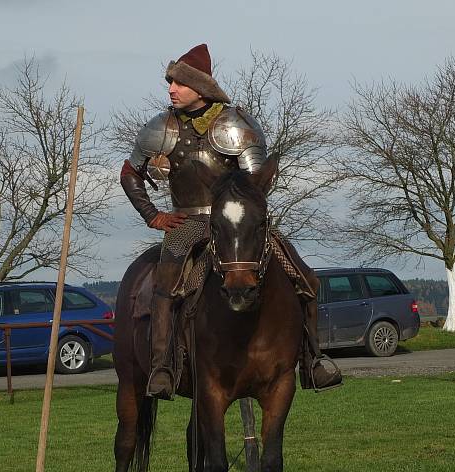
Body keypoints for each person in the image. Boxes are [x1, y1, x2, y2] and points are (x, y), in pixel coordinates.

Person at [120, 43, 342, 399]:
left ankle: (312, 357)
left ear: (201, 88)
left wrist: (242, 221)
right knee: (167, 279)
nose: (171, 90)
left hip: (236, 224)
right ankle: (162, 365)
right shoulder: (161, 127)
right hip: (188, 223)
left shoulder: (236, 125)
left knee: (303, 275)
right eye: (170, 83)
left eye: (178, 83)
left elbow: (255, 186)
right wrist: (154, 216)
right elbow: (130, 173)